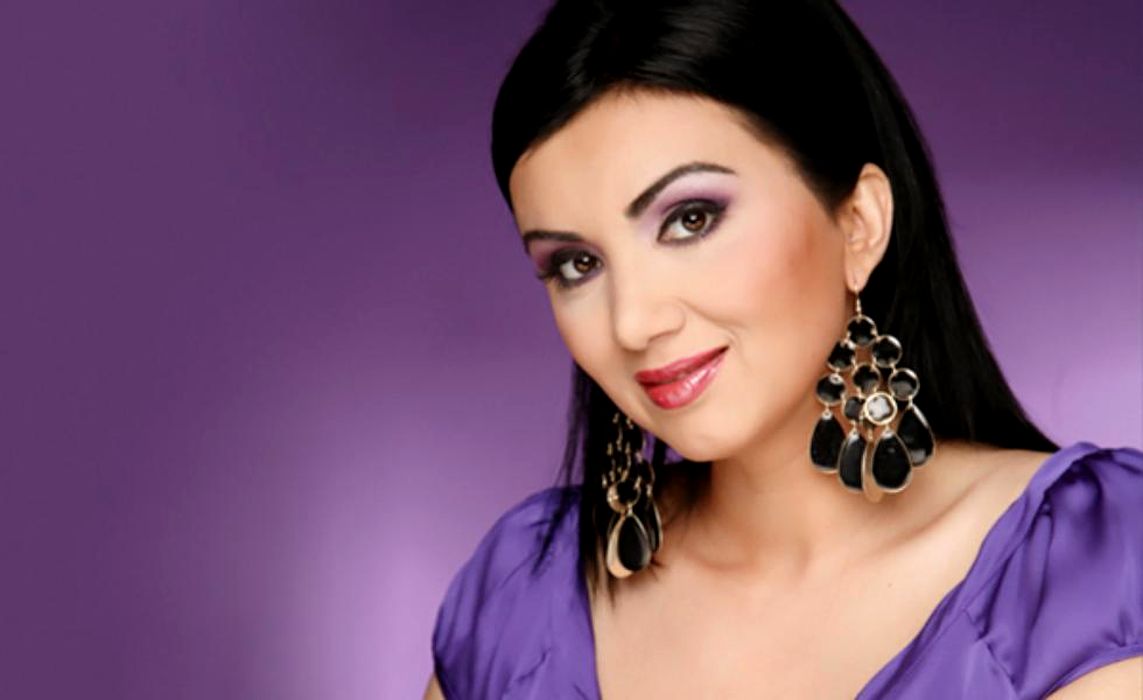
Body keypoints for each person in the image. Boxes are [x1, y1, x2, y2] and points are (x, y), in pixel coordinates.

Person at [424, 0, 1143, 697]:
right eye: (576, 265)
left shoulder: (1084, 568)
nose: (633, 322)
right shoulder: (523, 593)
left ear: (859, 223)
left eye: (690, 220)